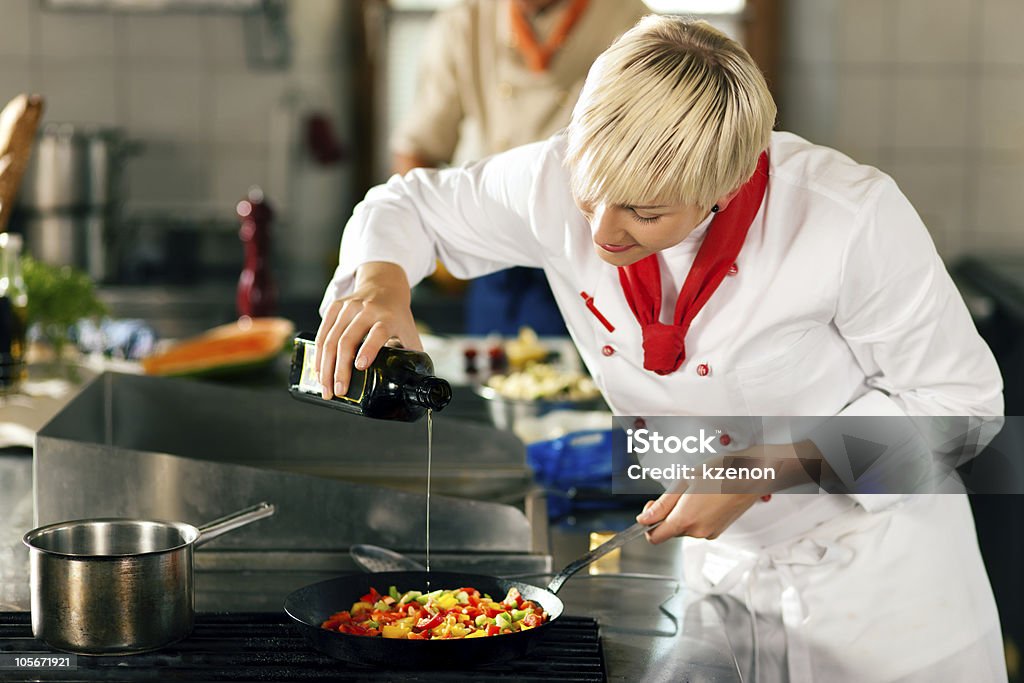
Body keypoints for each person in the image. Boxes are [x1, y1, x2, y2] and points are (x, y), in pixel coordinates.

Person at [315, 15, 1006, 682]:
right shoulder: (560, 179)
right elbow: (405, 205)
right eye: (590, 195)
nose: (602, 234)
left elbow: (963, 410)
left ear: (724, 185)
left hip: (881, 598)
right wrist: (380, 281)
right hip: (719, 580)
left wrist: (765, 467)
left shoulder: (847, 216)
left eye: (646, 212)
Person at [391, 0, 648, 337]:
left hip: (594, 253)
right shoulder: (465, 23)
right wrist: (431, 247)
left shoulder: (631, 23)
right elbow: (418, 148)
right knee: (496, 376)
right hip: (496, 253)